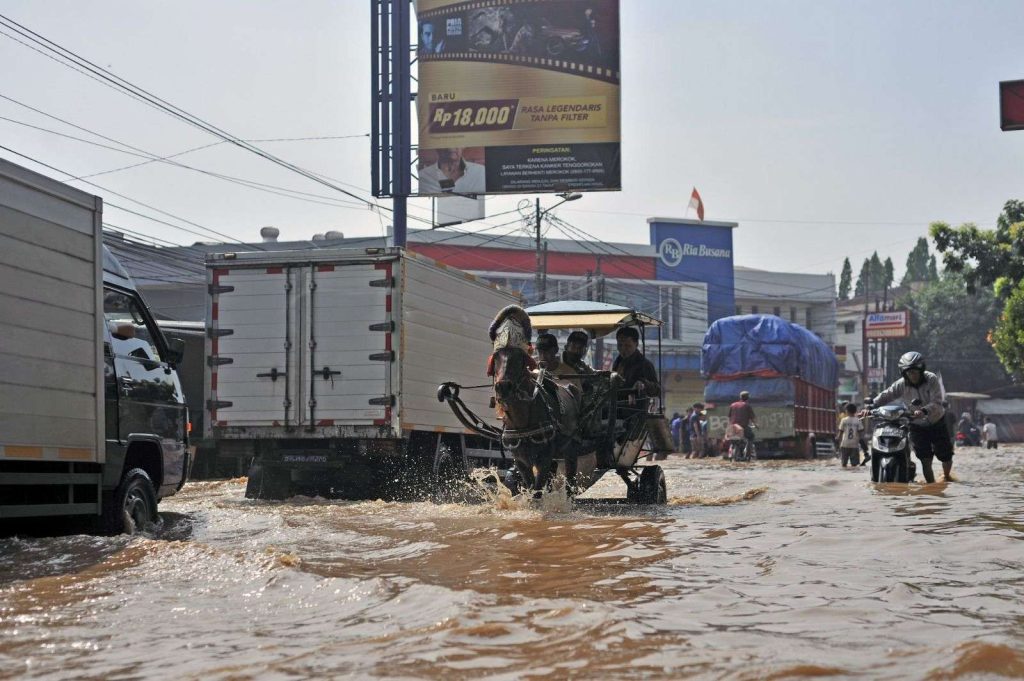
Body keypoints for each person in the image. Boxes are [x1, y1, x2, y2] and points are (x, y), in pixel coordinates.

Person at [867, 351, 953, 483]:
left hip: (936, 421)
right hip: (915, 424)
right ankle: (932, 486)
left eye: (915, 372)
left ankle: (947, 477)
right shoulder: (901, 384)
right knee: (925, 459)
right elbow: (887, 394)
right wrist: (870, 406)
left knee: (945, 456)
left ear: (921, 370)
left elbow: (937, 402)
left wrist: (924, 410)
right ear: (904, 372)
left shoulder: (931, 379)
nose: (912, 375)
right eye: (909, 372)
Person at [611, 326, 660, 402]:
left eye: (627, 346)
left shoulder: (645, 364)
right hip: (617, 407)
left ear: (636, 344)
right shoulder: (617, 363)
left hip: (635, 409)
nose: (623, 349)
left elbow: (657, 390)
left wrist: (643, 384)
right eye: (620, 345)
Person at [418, 148, 486, 195]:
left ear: (463, 146)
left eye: (456, 143)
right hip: (440, 213)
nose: (451, 148)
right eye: (445, 143)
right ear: (436, 148)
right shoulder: (423, 176)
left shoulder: (481, 171)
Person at [836, 402, 864, 468]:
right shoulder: (858, 420)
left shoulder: (843, 420)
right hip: (854, 445)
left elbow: (840, 433)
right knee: (854, 465)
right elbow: (861, 433)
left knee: (843, 464)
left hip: (845, 444)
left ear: (847, 411)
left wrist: (837, 440)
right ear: (855, 411)